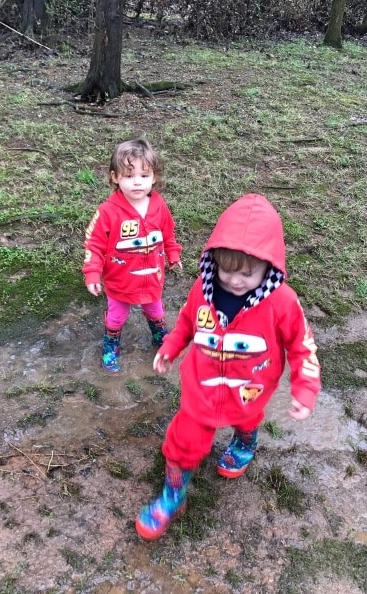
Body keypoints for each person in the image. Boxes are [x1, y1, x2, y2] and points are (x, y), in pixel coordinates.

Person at [135, 193, 321, 540]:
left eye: (248, 274)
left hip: (251, 387)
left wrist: (305, 389)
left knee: (247, 416)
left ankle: (246, 440)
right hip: (201, 389)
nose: (235, 281)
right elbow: (188, 323)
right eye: (226, 270)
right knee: (183, 440)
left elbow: (302, 347)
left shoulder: (282, 303)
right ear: (214, 261)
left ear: (270, 267)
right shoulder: (202, 291)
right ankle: (173, 495)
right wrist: (172, 345)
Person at [82, 138, 182, 373]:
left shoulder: (159, 206)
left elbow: (168, 233)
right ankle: (111, 345)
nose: (137, 182)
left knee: (155, 310)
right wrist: (92, 274)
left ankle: (159, 337)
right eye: (128, 176)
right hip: (120, 281)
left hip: (152, 277)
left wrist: (173, 254)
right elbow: (94, 244)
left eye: (144, 176)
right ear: (115, 177)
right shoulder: (108, 212)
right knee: (116, 317)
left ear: (154, 177)